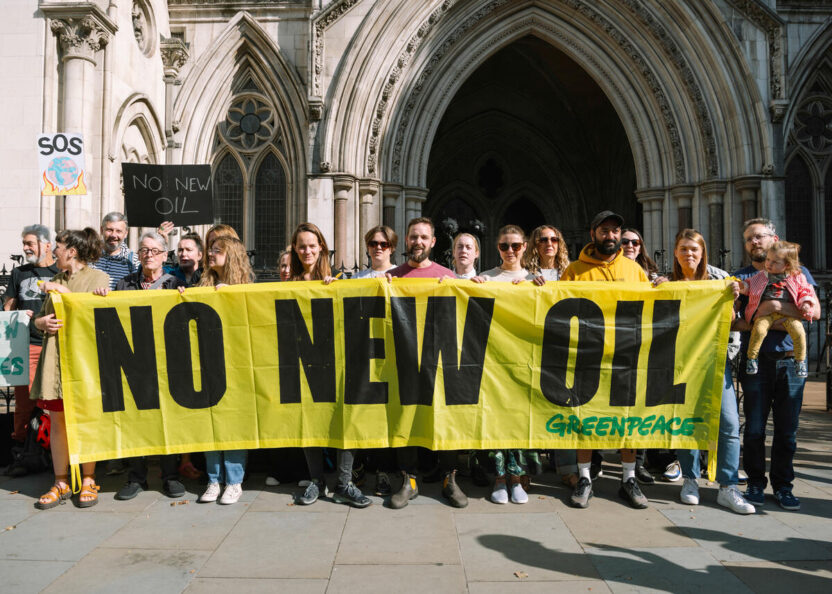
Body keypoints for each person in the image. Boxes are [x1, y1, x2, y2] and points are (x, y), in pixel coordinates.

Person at [560, 211, 650, 509]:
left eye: (615, 230)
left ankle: (628, 478)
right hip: (587, 356)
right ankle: (585, 477)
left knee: (629, 418)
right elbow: (559, 308)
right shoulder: (574, 270)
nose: (610, 236)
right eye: (604, 230)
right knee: (583, 419)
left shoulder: (635, 270)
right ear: (593, 233)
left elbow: (648, 311)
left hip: (625, 355)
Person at [733, 218, 820, 511]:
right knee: (755, 428)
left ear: (775, 238)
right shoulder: (742, 277)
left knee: (787, 430)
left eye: (759, 236)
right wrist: (762, 318)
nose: (754, 242)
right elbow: (737, 321)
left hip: (790, 363)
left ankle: (784, 485)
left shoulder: (798, 271)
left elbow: (814, 311)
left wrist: (772, 308)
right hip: (756, 362)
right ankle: (756, 481)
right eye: (748, 239)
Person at [93, 232, 187, 501]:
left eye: (155, 251)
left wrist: (184, 297)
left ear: (165, 256)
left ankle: (170, 476)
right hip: (133, 363)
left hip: (166, 363)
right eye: (144, 250)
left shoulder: (175, 285)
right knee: (135, 421)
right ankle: (136, 477)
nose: (148, 255)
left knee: (167, 419)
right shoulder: (124, 284)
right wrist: (102, 296)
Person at [665, 229, 754, 514]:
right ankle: (690, 480)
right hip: (679, 364)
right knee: (685, 423)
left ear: (703, 253)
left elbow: (729, 321)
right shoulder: (667, 283)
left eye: (694, 249)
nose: (688, 254)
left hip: (715, 362)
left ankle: (728, 486)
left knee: (728, 423)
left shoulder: (719, 280)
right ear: (675, 253)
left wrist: (731, 299)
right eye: (683, 249)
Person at [385, 217, 468, 509]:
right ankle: (408, 479)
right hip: (403, 362)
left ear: (433, 242)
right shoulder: (392, 277)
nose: (418, 242)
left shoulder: (446, 276)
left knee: (444, 416)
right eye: (413, 237)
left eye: (423, 238)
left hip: (439, 362)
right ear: (406, 240)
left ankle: (449, 478)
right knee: (404, 416)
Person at [288, 222, 371, 509]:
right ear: (295, 250)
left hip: (338, 362)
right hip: (305, 361)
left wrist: (338, 290)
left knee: (344, 420)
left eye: (312, 245)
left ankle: (344, 483)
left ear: (322, 246)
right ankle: (316, 480)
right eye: (301, 246)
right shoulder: (289, 283)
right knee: (309, 420)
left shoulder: (340, 277)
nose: (307, 250)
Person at [30, 228, 110, 509]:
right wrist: (42, 324)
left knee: (87, 419)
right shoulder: (54, 278)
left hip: (85, 360)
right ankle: (61, 480)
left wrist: (63, 292)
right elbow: (39, 319)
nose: (53, 252)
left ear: (72, 252)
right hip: (56, 358)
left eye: (59, 247)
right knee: (58, 422)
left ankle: (88, 478)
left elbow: (95, 316)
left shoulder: (98, 278)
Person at [471, 225, 537, 504]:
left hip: (524, 361)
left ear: (525, 247)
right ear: (496, 248)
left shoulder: (535, 279)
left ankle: (517, 477)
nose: (510, 251)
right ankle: (498, 478)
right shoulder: (485, 278)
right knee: (495, 419)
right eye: (503, 246)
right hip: (493, 361)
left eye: (515, 246)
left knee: (521, 421)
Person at [195, 236, 253, 505]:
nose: (210, 255)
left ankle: (234, 480)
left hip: (237, 363)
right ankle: (213, 479)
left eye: (217, 251)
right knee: (210, 423)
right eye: (210, 250)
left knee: (233, 423)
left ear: (231, 255)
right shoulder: (202, 284)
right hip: (209, 362)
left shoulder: (246, 288)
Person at [2, 225, 59, 468]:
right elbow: (8, 306)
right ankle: (23, 451)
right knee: (24, 402)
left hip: (55, 346)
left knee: (51, 400)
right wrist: (13, 312)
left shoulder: (60, 271)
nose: (25, 248)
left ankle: (48, 450)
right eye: (24, 243)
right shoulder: (19, 273)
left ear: (46, 245)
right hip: (27, 346)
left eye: (30, 243)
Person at [620, 227, 662, 486]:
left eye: (635, 242)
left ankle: (638, 463)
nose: (630, 245)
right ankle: (599, 459)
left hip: (644, 345)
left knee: (640, 407)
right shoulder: (609, 270)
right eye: (625, 241)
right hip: (615, 345)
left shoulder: (652, 273)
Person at [739, 241, 815, 378]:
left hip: (787, 315)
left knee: (799, 332)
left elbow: (805, 291)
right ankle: (752, 358)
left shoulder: (797, 277)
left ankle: (800, 361)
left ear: (787, 265)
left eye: (774, 262)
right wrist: (741, 286)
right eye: (768, 259)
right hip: (766, 315)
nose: (769, 264)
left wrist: (806, 303)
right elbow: (749, 285)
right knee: (759, 330)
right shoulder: (762, 275)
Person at [90, 212, 138, 290]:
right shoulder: (90, 255)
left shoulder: (133, 260)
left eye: (118, 231)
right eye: (109, 230)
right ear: (102, 230)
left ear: (126, 233)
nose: (113, 235)